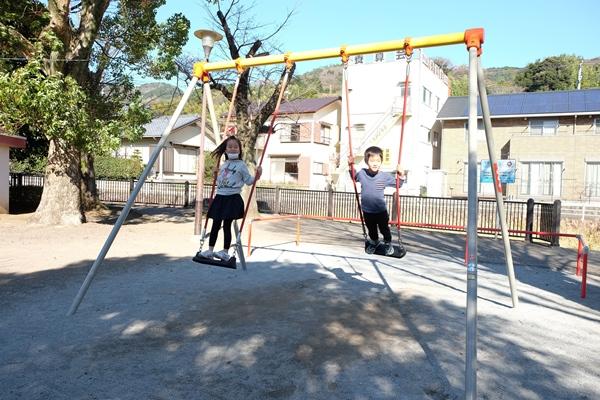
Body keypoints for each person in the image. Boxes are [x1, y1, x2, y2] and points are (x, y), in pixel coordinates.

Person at [200, 136, 262, 261]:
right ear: (226, 150)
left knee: (227, 225)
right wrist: (215, 174)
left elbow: (249, 181)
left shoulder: (241, 165)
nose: (232, 149)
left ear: (239, 150)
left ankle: (225, 251)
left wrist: (258, 174)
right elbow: (221, 182)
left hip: (232, 198)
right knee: (215, 225)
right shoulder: (224, 165)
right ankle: (210, 250)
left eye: (235, 147)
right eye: (230, 147)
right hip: (220, 197)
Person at [348, 146, 405, 255]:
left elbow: (399, 184)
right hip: (367, 211)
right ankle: (374, 242)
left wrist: (401, 174)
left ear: (381, 162)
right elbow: (354, 177)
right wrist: (350, 166)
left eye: (378, 161)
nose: (375, 163)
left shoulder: (384, 176)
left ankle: (388, 243)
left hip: (380, 211)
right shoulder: (362, 174)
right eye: (372, 161)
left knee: (384, 229)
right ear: (366, 161)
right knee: (372, 230)